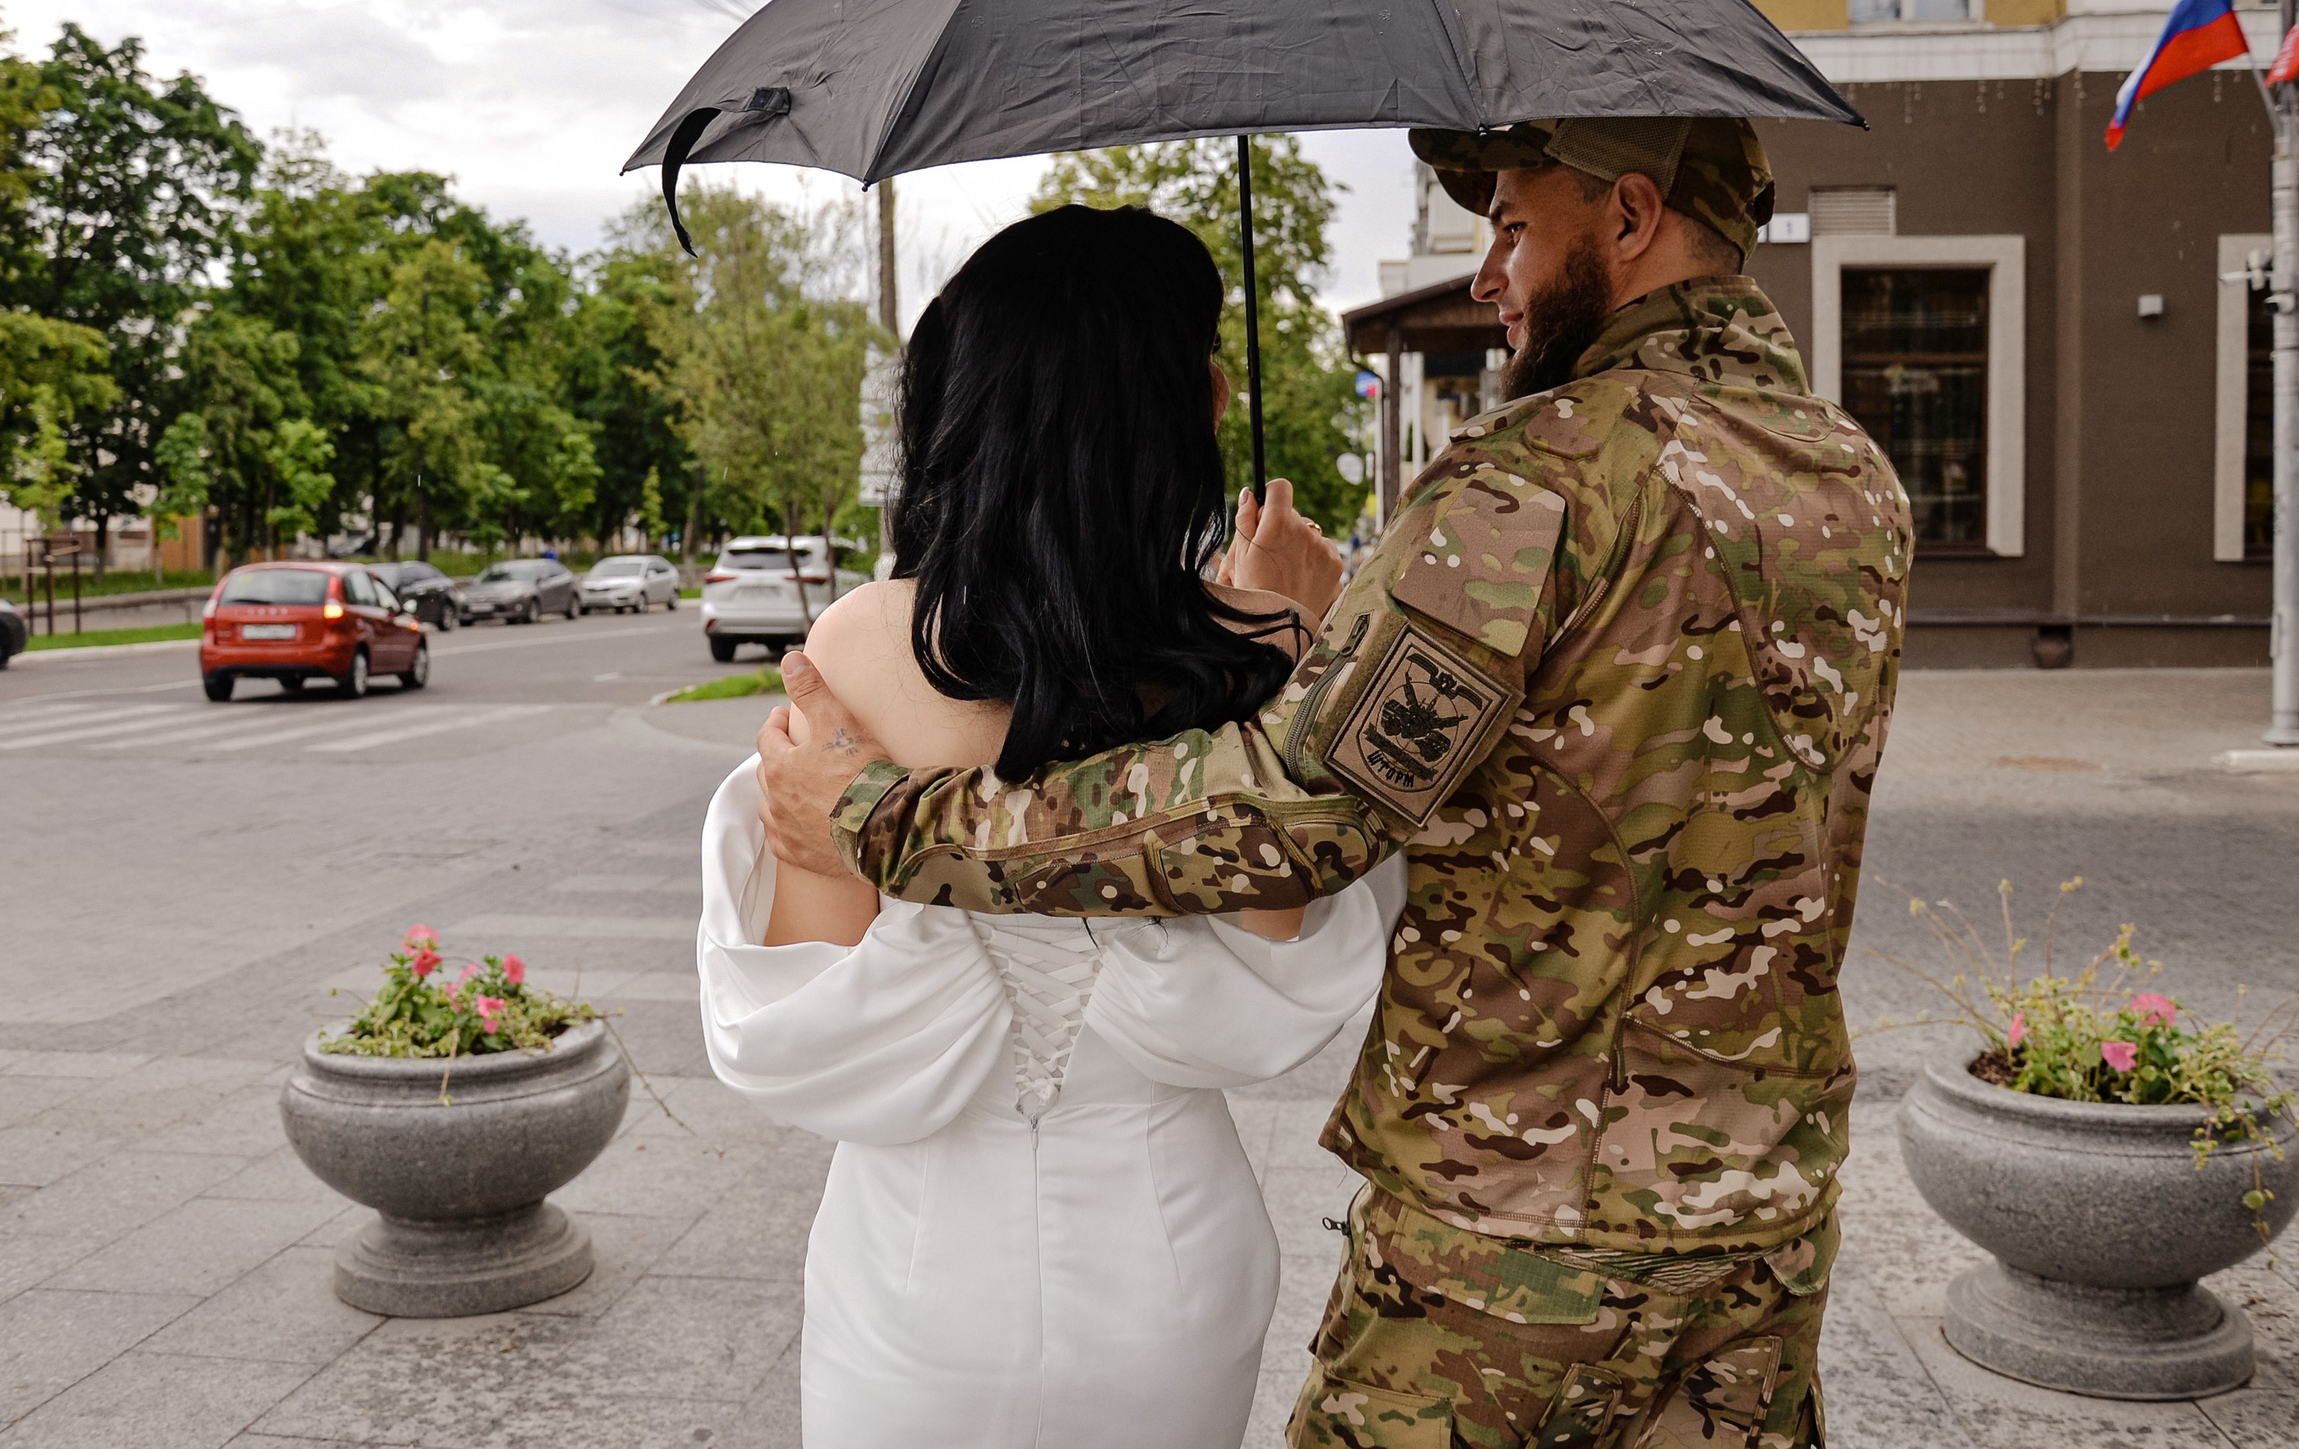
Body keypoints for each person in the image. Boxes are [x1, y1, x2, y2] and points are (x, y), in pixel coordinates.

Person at [758, 117, 1913, 1449]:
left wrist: (883, 816)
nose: (1490, 274)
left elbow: (1291, 808)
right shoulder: (1852, 485)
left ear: (1632, 216)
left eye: (1515, 227)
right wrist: (1289, 642)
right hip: (1761, 1226)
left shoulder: (1530, 484)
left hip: (1517, 1232)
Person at [695, 204, 1401, 1449]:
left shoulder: (864, 644)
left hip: (918, 1269)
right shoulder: (1260, 655)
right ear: (1192, 400)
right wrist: (1293, 639)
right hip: (1171, 1249)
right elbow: (1285, 916)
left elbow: (814, 1000)